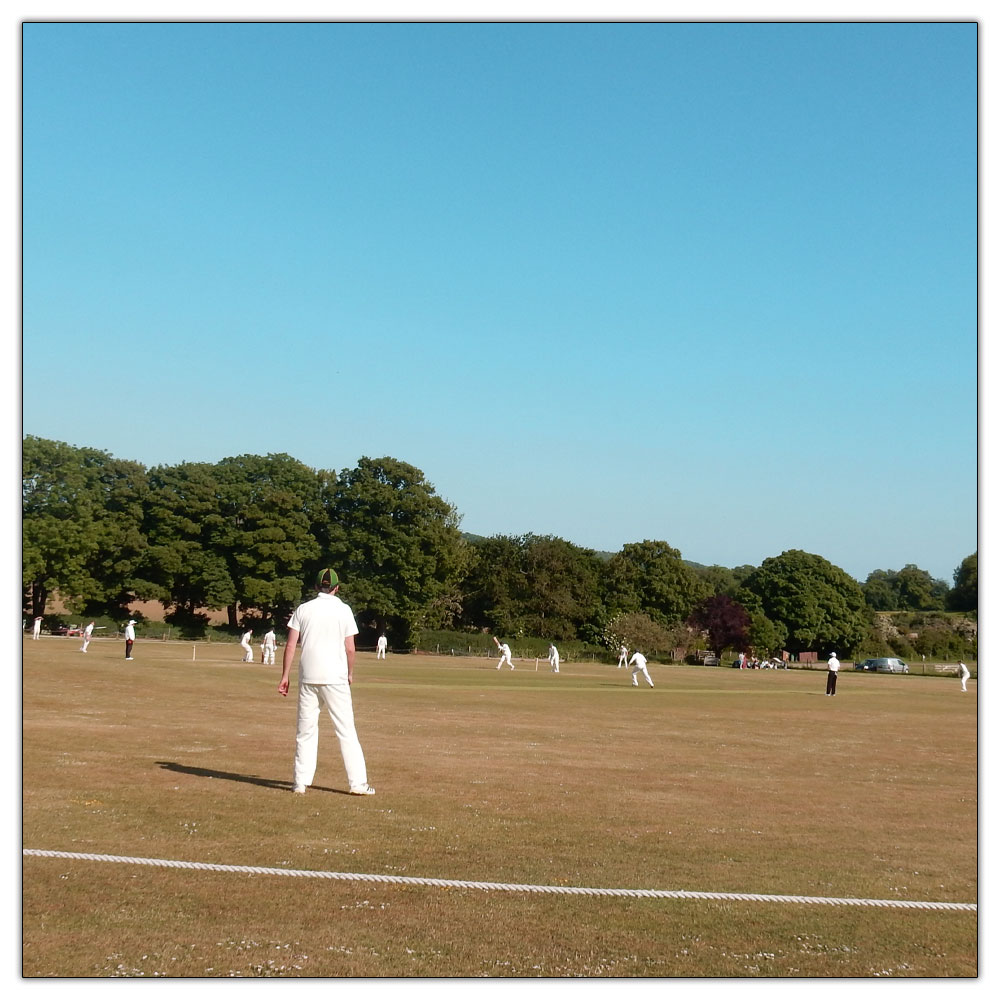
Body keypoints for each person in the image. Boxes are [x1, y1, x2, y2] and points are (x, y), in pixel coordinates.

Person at [278, 568, 374, 796]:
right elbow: (350, 648)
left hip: (308, 676)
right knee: (346, 730)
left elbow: (291, 644)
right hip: (335, 677)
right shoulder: (344, 610)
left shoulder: (304, 609)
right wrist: (350, 673)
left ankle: (300, 782)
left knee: (305, 730)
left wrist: (284, 676)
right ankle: (357, 783)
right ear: (336, 587)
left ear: (315, 587)